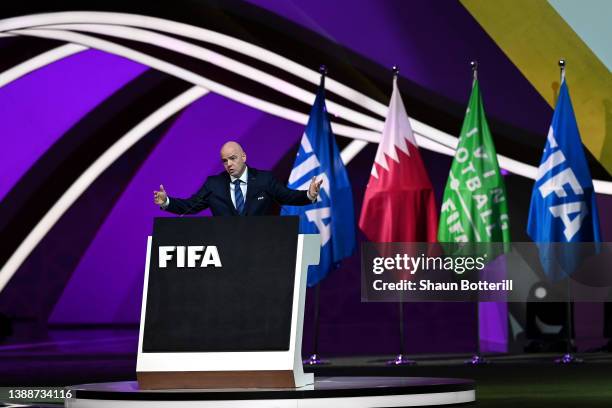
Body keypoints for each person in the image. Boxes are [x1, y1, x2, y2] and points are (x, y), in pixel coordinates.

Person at [154, 141, 322, 216]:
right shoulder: (214, 184)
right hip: (226, 252)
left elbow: (287, 196)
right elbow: (190, 206)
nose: (228, 164)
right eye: (224, 161)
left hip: (262, 249)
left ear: (243, 157)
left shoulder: (264, 179)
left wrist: (309, 194)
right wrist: (166, 202)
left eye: (232, 158)